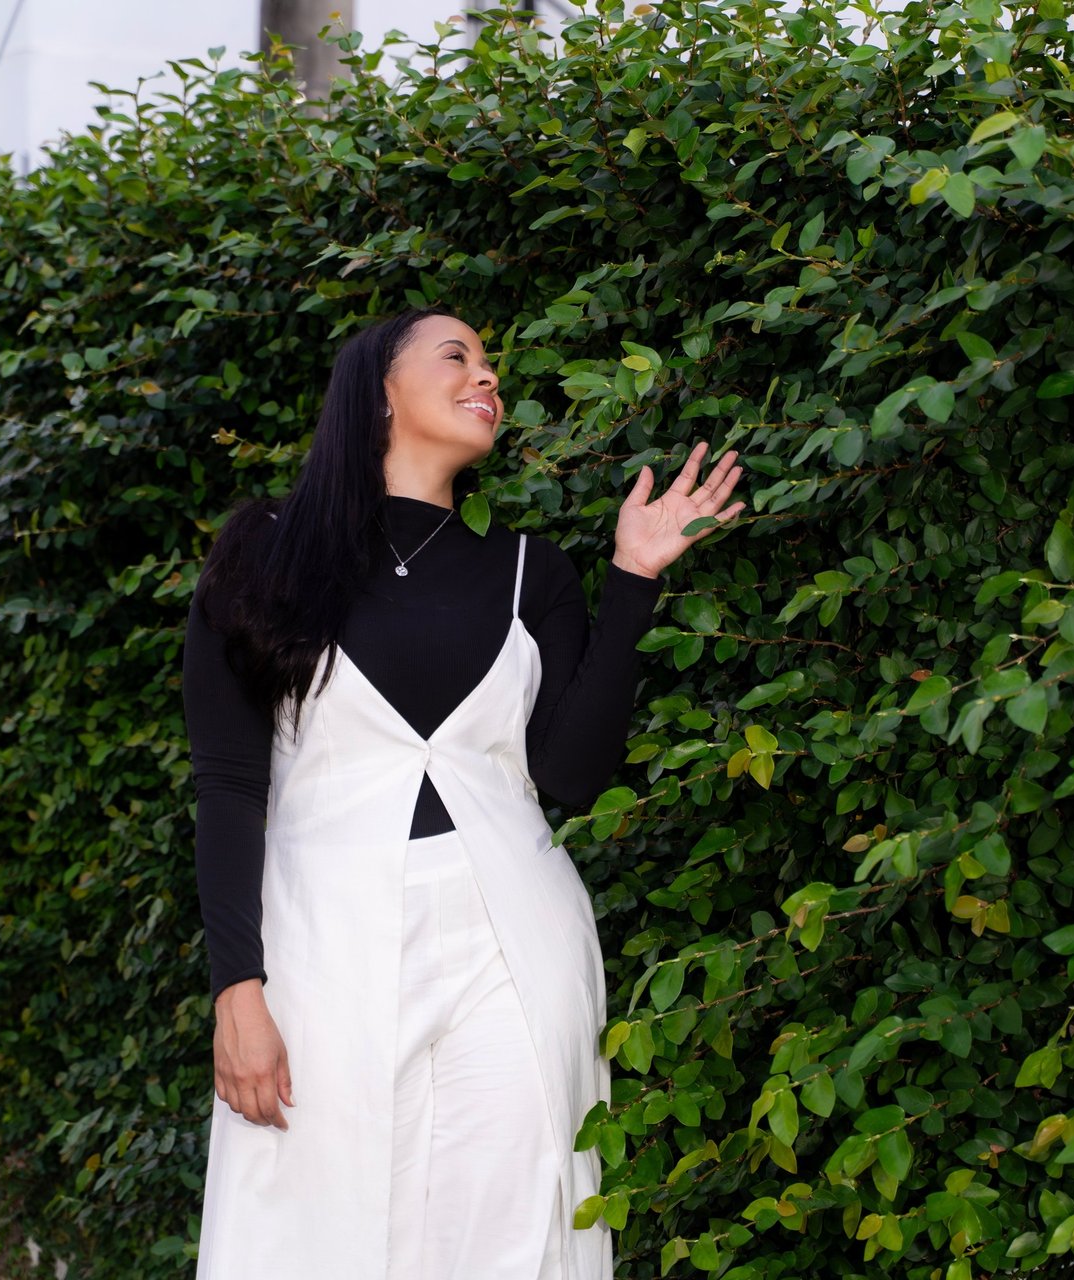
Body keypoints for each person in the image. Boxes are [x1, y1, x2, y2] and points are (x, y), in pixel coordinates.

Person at [180, 305, 747, 1279]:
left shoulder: (533, 571)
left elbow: (572, 776)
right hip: (320, 938)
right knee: (314, 1222)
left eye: (491, 362)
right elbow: (230, 784)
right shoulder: (264, 552)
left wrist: (633, 577)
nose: (487, 375)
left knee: (517, 1225)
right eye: (458, 356)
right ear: (381, 390)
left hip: (513, 939)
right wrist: (239, 987)